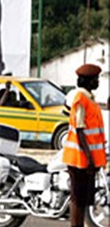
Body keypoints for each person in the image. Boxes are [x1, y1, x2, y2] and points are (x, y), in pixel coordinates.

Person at [62, 63, 106, 227]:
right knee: (78, 198)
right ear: (88, 81)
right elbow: (80, 130)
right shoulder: (80, 99)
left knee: (84, 198)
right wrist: (89, 158)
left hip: (87, 159)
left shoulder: (89, 99)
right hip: (79, 159)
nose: (98, 82)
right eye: (95, 79)